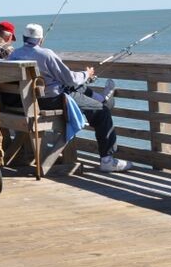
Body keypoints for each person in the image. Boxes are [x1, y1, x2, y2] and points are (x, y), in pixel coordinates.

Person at [8, 23, 127, 172]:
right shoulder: (46, 54)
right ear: (41, 39)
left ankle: (100, 98)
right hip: (52, 101)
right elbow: (69, 78)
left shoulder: (13, 55)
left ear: (23, 37)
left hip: (29, 101)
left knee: (77, 88)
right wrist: (87, 74)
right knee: (102, 112)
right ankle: (107, 160)